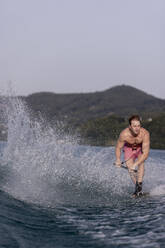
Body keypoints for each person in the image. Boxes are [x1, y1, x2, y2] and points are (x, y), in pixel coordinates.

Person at [115, 115, 150, 197]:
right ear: (130, 126)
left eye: (138, 126)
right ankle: (138, 189)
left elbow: (146, 153)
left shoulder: (145, 134)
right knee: (130, 168)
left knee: (141, 163)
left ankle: (138, 190)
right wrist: (118, 159)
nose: (137, 128)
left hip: (139, 149)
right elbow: (118, 148)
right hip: (128, 148)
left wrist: (136, 164)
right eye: (134, 126)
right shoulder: (124, 134)